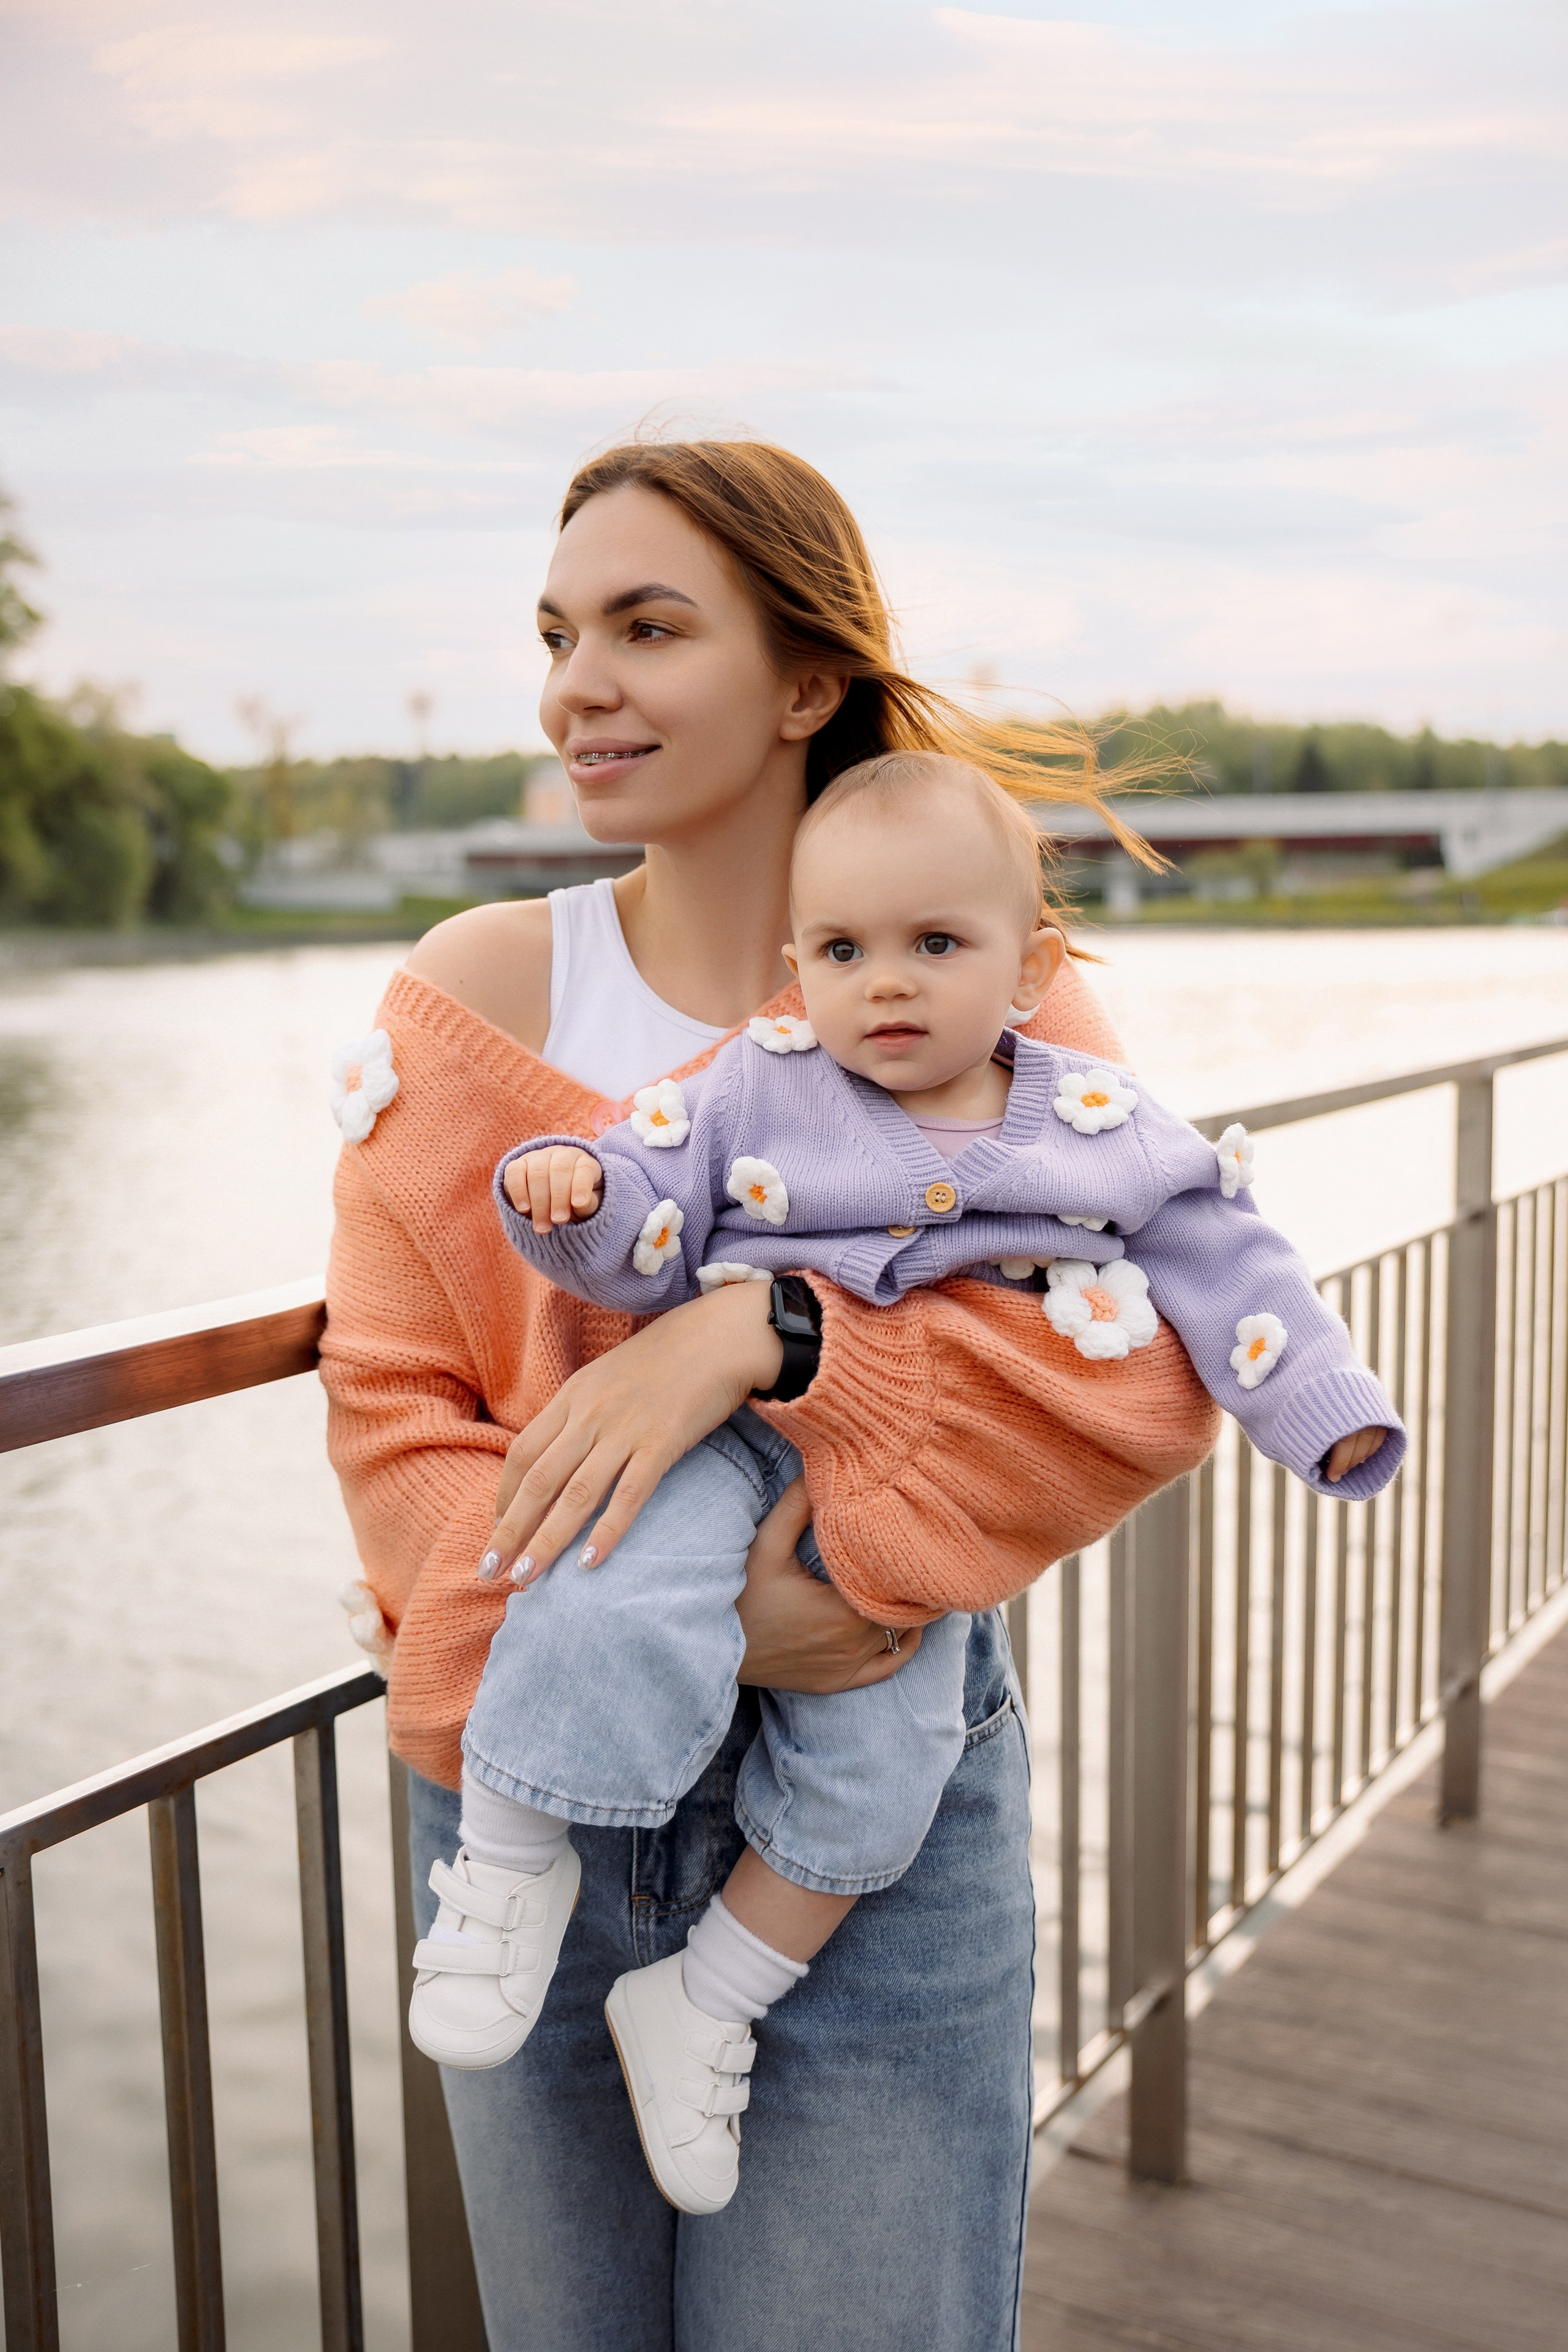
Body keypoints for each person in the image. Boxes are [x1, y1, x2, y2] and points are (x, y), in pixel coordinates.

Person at [320, 438, 1224, 2351]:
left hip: (869, 1814)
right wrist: (692, 1632)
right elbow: (392, 1405)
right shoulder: (477, 996)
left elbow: (1125, 1374)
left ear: (807, 680)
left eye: (649, 627)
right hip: (518, 1812)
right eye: (560, 632)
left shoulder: (991, 1000)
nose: (581, 682)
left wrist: (761, 1335)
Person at [406, 748, 1400, 2215]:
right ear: (797, 968)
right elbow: (645, 1207)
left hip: (898, 1498)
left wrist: (1317, 1409)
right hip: (729, 1436)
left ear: (1027, 968)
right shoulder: (761, 1080)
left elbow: (1221, 1260)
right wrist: (568, 1193)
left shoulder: (1091, 1123)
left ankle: (708, 2001)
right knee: (612, 1579)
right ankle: (503, 1863)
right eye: (845, 951)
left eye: (935, 945)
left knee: (887, 1766)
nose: (886, 984)